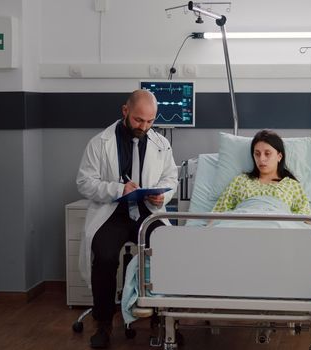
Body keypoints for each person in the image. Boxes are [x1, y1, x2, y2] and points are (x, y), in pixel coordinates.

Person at [76, 90, 178, 348]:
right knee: (105, 256)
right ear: (125, 111)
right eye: (138, 120)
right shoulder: (100, 143)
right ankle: (104, 323)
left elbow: (170, 178)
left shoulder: (161, 144)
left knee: (166, 251)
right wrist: (118, 190)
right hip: (113, 213)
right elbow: (84, 183)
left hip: (146, 212)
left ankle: (162, 319)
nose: (144, 126)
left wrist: (160, 197)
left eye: (150, 121)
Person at [212, 129, 311, 233]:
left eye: (267, 154)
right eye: (257, 154)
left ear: (279, 156)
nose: (261, 159)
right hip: (242, 229)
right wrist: (206, 234)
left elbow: (305, 216)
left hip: (278, 230)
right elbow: (218, 212)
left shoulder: (291, 185)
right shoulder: (241, 180)